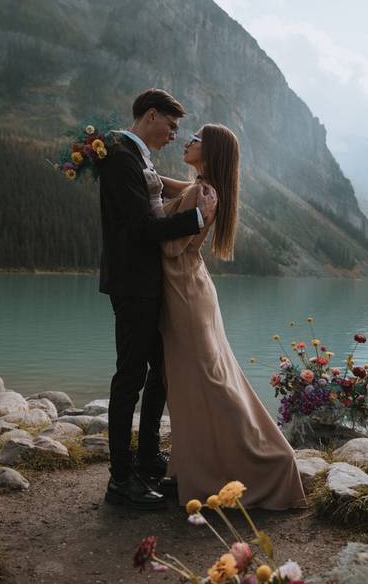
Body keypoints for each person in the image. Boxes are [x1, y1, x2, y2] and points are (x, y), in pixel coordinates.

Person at [146, 123, 306, 510]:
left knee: (209, 383)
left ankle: (268, 462)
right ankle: (194, 467)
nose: (188, 140)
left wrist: (151, 197)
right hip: (189, 289)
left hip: (184, 292)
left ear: (211, 150)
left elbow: (169, 246)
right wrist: (148, 177)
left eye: (197, 139)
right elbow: (174, 189)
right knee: (195, 384)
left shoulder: (201, 193)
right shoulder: (200, 188)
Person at [99, 88, 217, 510]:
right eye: (170, 125)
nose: (173, 135)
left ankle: (147, 461)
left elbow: (153, 205)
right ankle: (119, 481)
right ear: (151, 115)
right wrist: (198, 217)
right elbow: (139, 228)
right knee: (129, 377)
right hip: (132, 283)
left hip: (147, 282)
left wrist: (202, 190)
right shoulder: (119, 157)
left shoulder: (137, 157)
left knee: (155, 372)